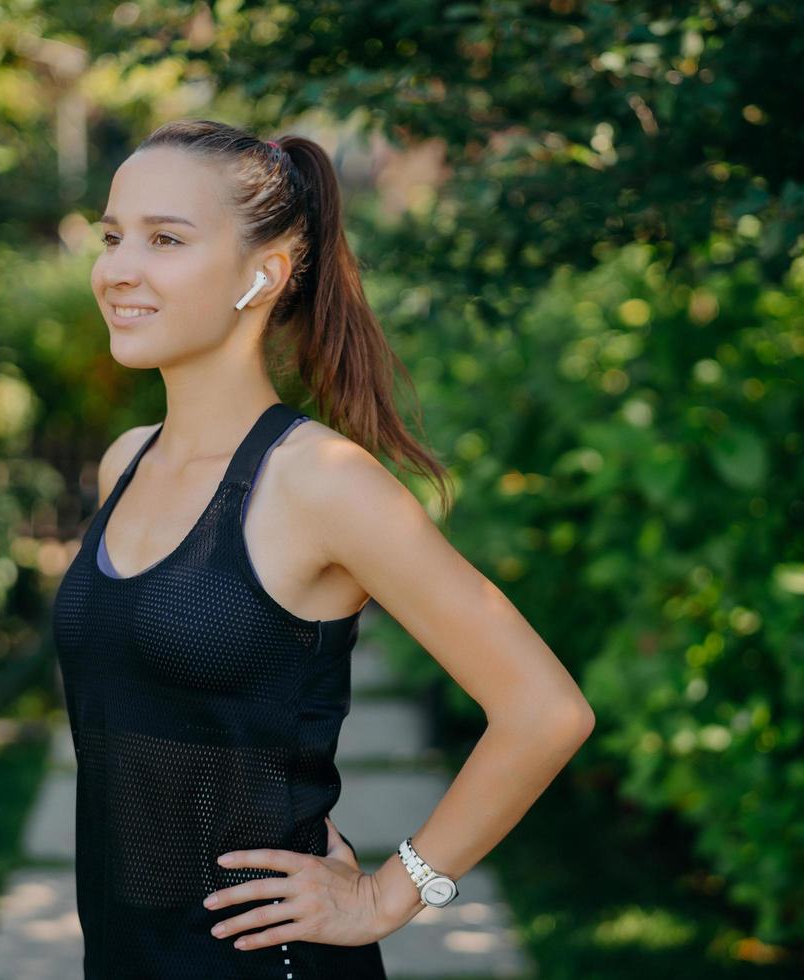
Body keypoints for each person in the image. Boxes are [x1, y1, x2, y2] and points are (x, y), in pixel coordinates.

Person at [52, 118, 595, 979]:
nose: (119, 267)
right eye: (113, 236)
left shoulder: (320, 482)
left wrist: (390, 895)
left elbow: (546, 712)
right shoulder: (128, 462)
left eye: (165, 239)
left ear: (262, 274)